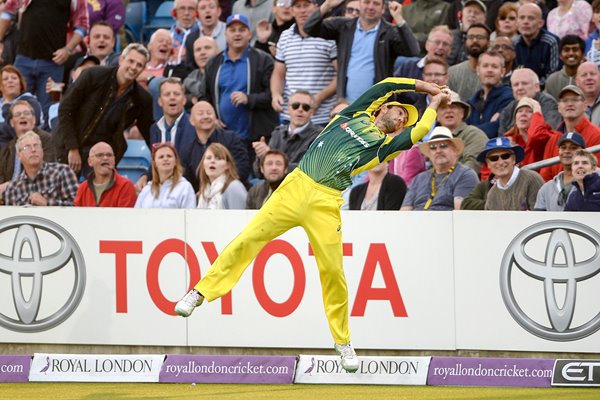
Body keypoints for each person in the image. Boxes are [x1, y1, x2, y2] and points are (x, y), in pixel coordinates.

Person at [174, 77, 451, 373]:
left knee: (333, 271)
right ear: (382, 109)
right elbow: (388, 85)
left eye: (403, 121)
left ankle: (343, 341)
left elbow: (420, 130)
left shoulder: (384, 147)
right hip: (296, 186)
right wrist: (427, 88)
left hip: (326, 202)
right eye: (398, 113)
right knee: (248, 239)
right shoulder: (353, 114)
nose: (399, 120)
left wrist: (434, 104)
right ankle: (200, 292)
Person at [56, 43, 153, 176]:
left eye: (139, 65)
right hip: (69, 145)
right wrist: (72, 148)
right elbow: (65, 108)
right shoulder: (93, 75)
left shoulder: (142, 98)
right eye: (131, 61)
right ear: (121, 60)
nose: (134, 67)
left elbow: (150, 133)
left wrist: (161, 156)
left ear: (143, 69)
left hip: (102, 156)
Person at [304, 0, 420, 101]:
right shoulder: (344, 26)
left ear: (382, 8)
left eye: (376, 3)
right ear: (360, 4)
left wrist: (399, 20)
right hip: (346, 104)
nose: (370, 6)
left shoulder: (390, 31)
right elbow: (309, 28)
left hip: (378, 105)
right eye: (366, 2)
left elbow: (413, 51)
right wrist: (327, 4)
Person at [0, 0, 89, 122]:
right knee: (16, 107)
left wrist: (68, 50)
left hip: (54, 63)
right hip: (23, 59)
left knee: (50, 110)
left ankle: (46, 141)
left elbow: (82, 25)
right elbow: (7, 12)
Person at [199, 14, 279, 148]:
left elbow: (273, 95)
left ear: (249, 34)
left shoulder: (263, 60)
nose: (237, 34)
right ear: (225, 34)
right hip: (222, 138)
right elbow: (204, 96)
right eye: (232, 30)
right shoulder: (214, 63)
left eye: (242, 30)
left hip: (256, 140)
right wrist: (212, 118)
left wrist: (249, 99)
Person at [270, 0, 337, 126]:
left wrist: (318, 98)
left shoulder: (329, 35)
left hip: (321, 117)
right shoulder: (285, 36)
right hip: (289, 116)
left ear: (316, 7)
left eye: (306, 5)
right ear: (292, 10)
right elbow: (278, 73)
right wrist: (275, 94)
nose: (302, 10)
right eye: (298, 6)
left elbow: (341, 75)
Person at [401, 126, 479, 210]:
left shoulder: (465, 175)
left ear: (455, 150)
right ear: (429, 154)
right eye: (433, 147)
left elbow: (460, 214)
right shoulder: (419, 178)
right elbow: (405, 212)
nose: (438, 150)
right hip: (416, 221)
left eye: (443, 145)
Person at [532, 85, 600, 180]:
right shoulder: (553, 139)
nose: (570, 104)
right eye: (565, 101)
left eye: (575, 100)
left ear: (585, 105)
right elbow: (546, 176)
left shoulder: (597, 135)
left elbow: (596, 174)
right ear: (559, 107)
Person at [181, 101, 250, 191]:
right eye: (200, 113)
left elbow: (242, 168)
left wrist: (220, 187)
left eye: (209, 113)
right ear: (191, 120)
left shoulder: (231, 138)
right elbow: (188, 181)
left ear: (215, 117)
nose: (206, 116)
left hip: (230, 191)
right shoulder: (188, 149)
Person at [253, 90, 320, 177]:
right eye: (295, 106)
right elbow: (258, 172)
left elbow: (309, 170)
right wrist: (261, 157)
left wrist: (270, 156)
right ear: (289, 109)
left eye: (306, 107)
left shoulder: (319, 136)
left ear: (312, 112)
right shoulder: (277, 133)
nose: (300, 110)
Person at [3, 131, 78, 206]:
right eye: (27, 147)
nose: (33, 150)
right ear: (19, 156)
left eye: (37, 146)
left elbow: (78, 206)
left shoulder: (62, 172)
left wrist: (47, 203)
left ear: (42, 151)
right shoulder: (12, 188)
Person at [0, 101, 55, 197]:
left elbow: (46, 171)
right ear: (12, 123)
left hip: (37, 192)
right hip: (10, 196)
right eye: (17, 114)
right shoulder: (9, 147)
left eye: (26, 113)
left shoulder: (46, 140)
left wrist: (11, 185)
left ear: (34, 119)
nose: (22, 116)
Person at [477, 137, 544, 210]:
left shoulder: (532, 179)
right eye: (493, 158)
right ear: (488, 164)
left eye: (505, 156)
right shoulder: (492, 195)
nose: (500, 162)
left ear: (514, 159)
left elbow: (543, 217)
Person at [436, 91, 488, 175]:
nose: (448, 110)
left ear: (462, 113)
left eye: (453, 107)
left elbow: (471, 166)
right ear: (437, 116)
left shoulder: (473, 134)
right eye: (443, 107)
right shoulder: (434, 139)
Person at [465, 50, 514, 138]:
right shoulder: (471, 102)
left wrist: (469, 131)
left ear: (502, 72)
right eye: (485, 66)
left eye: (494, 67)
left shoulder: (509, 97)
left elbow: (497, 128)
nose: (489, 70)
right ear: (478, 70)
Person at [498, 68, 560, 135]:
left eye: (524, 83)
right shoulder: (508, 110)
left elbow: (550, 132)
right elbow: (502, 140)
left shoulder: (548, 103)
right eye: (516, 84)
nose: (520, 88)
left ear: (537, 87)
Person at [74, 141, 137, 207]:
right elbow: (77, 215)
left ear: (114, 160)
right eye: (100, 155)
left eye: (109, 155)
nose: (105, 158)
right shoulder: (83, 188)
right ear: (90, 161)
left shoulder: (125, 186)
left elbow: (125, 216)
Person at [135, 142, 197, 208]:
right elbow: (137, 215)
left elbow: (189, 216)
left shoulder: (185, 187)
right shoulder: (146, 190)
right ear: (155, 163)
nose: (165, 159)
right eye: (161, 157)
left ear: (175, 161)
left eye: (169, 156)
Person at [534, 132, 585, 211]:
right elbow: (539, 220)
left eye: (573, 148)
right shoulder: (546, 189)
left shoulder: (594, 181)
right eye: (563, 147)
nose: (567, 151)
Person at [514, 3, 560, 87]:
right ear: (517, 22)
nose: (526, 22)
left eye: (531, 18)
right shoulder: (515, 43)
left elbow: (553, 75)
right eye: (522, 17)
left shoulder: (551, 42)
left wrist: (532, 87)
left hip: (544, 91)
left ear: (541, 23)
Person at [197, 142, 248, 209]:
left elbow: (240, 217)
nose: (212, 161)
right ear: (203, 164)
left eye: (218, 158)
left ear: (228, 165)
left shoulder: (234, 187)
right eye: (209, 158)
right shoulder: (204, 192)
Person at [448, 23, 489, 103]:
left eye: (479, 37)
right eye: (471, 37)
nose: (475, 40)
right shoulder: (453, 72)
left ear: (489, 42)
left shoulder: (493, 73)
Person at [184, 0, 228, 65]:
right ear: (197, 14)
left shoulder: (230, 32)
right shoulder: (191, 38)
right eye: (203, 8)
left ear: (219, 11)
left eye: (211, 7)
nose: (207, 11)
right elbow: (190, 67)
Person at [447, 0, 487, 66]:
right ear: (461, 15)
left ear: (484, 18)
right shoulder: (449, 36)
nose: (472, 15)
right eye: (469, 11)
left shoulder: (488, 39)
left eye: (476, 13)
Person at [544, 35, 585, 101]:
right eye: (566, 50)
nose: (571, 53)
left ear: (583, 55)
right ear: (560, 55)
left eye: (575, 49)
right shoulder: (552, 80)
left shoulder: (588, 79)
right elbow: (548, 106)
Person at [183, 36, 219, 109]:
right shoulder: (192, 75)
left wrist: (188, 83)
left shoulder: (222, 72)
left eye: (207, 48)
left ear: (218, 51)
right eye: (198, 50)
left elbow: (206, 92)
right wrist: (191, 99)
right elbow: (181, 98)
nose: (202, 52)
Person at [576, 61, 600, 126]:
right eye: (584, 75)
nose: (589, 78)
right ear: (577, 81)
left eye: (592, 74)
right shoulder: (571, 105)